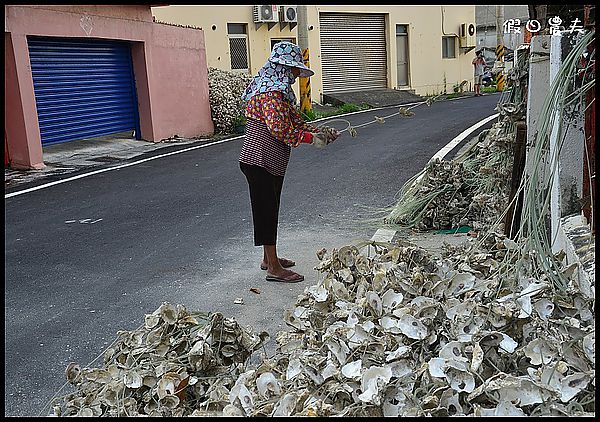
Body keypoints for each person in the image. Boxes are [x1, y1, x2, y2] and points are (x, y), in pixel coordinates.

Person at [239, 41, 339, 283]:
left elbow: (296, 122)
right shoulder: (270, 94)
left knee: (269, 209)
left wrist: (322, 132)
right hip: (259, 159)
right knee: (266, 211)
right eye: (294, 70)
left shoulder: (278, 92)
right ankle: (273, 267)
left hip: (270, 161)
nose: (296, 74)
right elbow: (280, 129)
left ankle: (268, 258)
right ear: (282, 68)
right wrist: (311, 139)